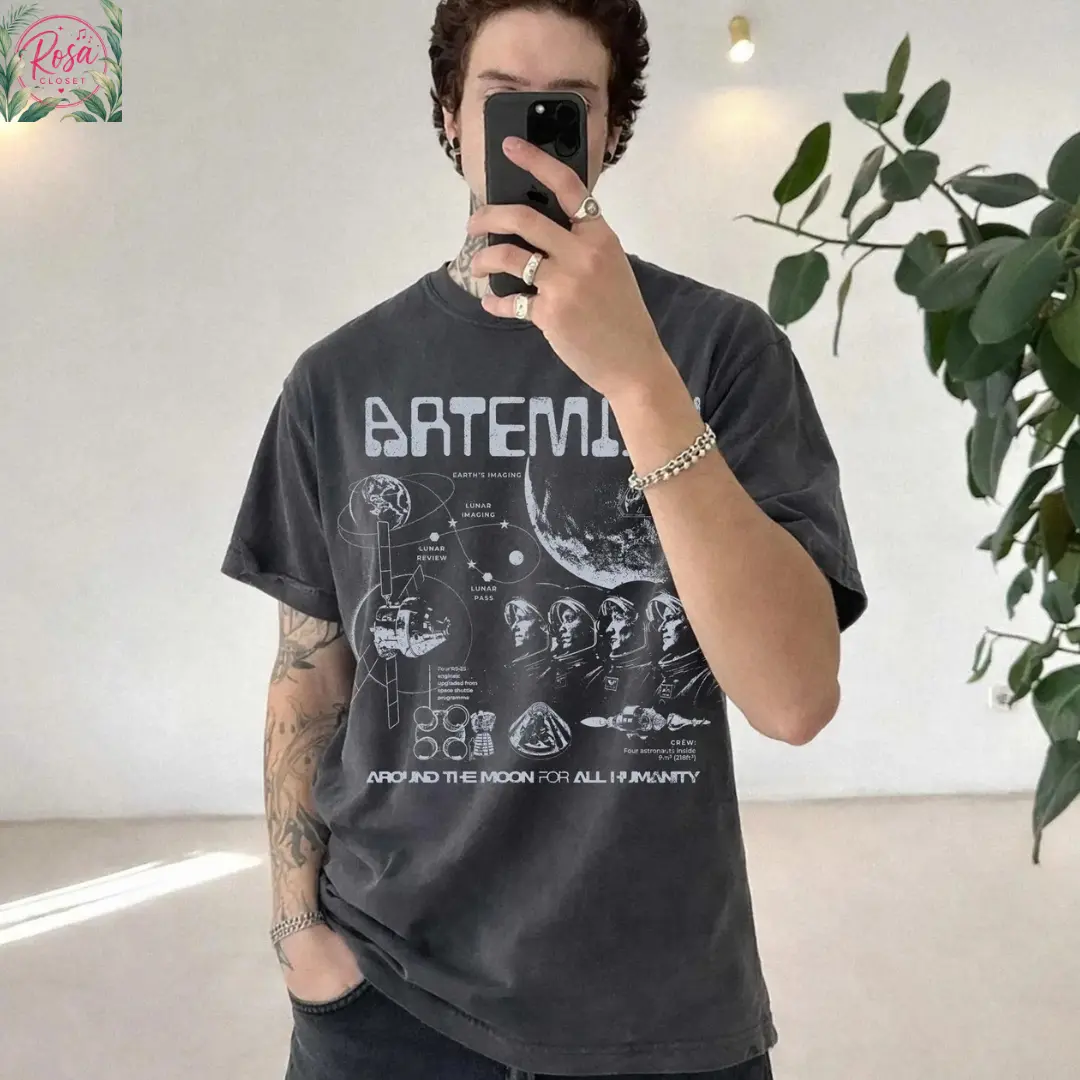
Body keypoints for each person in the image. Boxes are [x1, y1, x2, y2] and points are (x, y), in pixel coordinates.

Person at [220, 1, 869, 1077]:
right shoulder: (339, 378)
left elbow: (794, 699)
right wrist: (298, 933)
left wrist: (637, 378)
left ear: (610, 130)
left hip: (660, 996)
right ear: (450, 116)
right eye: (499, 99)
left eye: (564, 106)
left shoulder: (721, 351)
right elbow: (309, 672)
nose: (527, 136)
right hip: (386, 990)